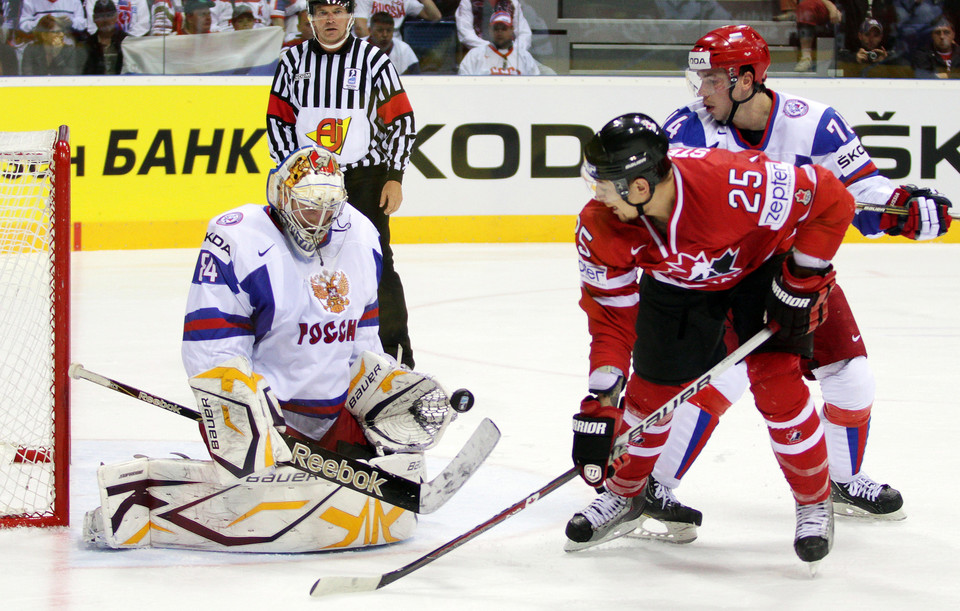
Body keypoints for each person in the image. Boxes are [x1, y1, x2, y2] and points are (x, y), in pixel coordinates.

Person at [644, 24, 953, 542]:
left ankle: (843, 480)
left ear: (746, 80)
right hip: (723, 276)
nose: (702, 92)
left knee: (851, 376)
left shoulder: (814, 124)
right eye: (700, 79)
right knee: (727, 379)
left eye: (713, 79)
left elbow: (865, 196)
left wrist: (906, 208)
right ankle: (652, 485)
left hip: (795, 272)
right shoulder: (686, 127)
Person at [81, 146, 460, 553]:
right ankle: (148, 495)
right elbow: (212, 349)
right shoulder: (238, 239)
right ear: (281, 196)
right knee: (269, 480)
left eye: (331, 209)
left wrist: (383, 388)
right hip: (268, 415)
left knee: (390, 464)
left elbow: (361, 342)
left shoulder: (361, 235)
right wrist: (245, 412)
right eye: (309, 208)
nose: (320, 221)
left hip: (331, 414)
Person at [567, 113, 854, 564]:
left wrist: (802, 276)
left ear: (639, 187)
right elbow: (611, 318)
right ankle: (626, 495)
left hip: (758, 271)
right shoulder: (600, 225)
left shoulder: (735, 183)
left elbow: (830, 197)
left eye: (604, 184)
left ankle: (814, 500)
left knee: (777, 384)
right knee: (650, 392)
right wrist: (602, 398)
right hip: (677, 287)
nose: (597, 196)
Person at [267, 0, 417, 369]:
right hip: (307, 184)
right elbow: (277, 120)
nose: (330, 18)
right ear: (310, 18)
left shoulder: (374, 61)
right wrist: (291, 172)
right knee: (299, 263)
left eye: (337, 10)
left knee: (376, 264)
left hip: (365, 179)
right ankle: (299, 350)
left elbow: (401, 120)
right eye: (322, 12)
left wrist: (394, 176)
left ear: (350, 16)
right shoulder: (292, 62)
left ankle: (395, 356)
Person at [457, 9, 537, 75]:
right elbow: (463, 84)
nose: (499, 32)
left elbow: (536, 85)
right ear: (489, 30)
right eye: (496, 29)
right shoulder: (475, 55)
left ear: (512, 30)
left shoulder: (524, 56)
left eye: (504, 28)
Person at [836, 16, 911, 77]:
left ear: (881, 37)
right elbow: (834, 72)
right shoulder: (848, 55)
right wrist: (854, 59)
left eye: (876, 35)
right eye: (867, 34)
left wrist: (886, 61)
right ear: (860, 36)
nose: (871, 39)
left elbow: (906, 75)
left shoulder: (889, 57)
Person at [456, 0, 531, 53]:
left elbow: (524, 33)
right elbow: (466, 34)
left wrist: (513, 50)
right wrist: (492, 49)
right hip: (479, 56)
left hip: (512, 56)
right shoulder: (467, 2)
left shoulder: (512, 2)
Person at [367, 9, 420, 74]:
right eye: (380, 30)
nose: (385, 35)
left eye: (389, 30)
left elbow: (415, 77)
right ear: (370, 31)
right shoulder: (358, 47)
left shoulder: (404, 49)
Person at [353, 0, 441, 39]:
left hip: (393, 46)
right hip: (367, 45)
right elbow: (360, 29)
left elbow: (435, 16)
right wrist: (375, 51)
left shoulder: (405, 1)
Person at [81, 0, 126, 74]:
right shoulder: (87, 45)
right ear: (94, 18)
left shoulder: (126, 42)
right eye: (100, 16)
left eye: (109, 15)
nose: (105, 20)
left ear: (116, 17)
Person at [84, 0, 150, 37]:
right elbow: (92, 27)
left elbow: (143, 25)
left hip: (132, 44)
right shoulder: (91, 1)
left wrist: (125, 42)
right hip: (101, 45)